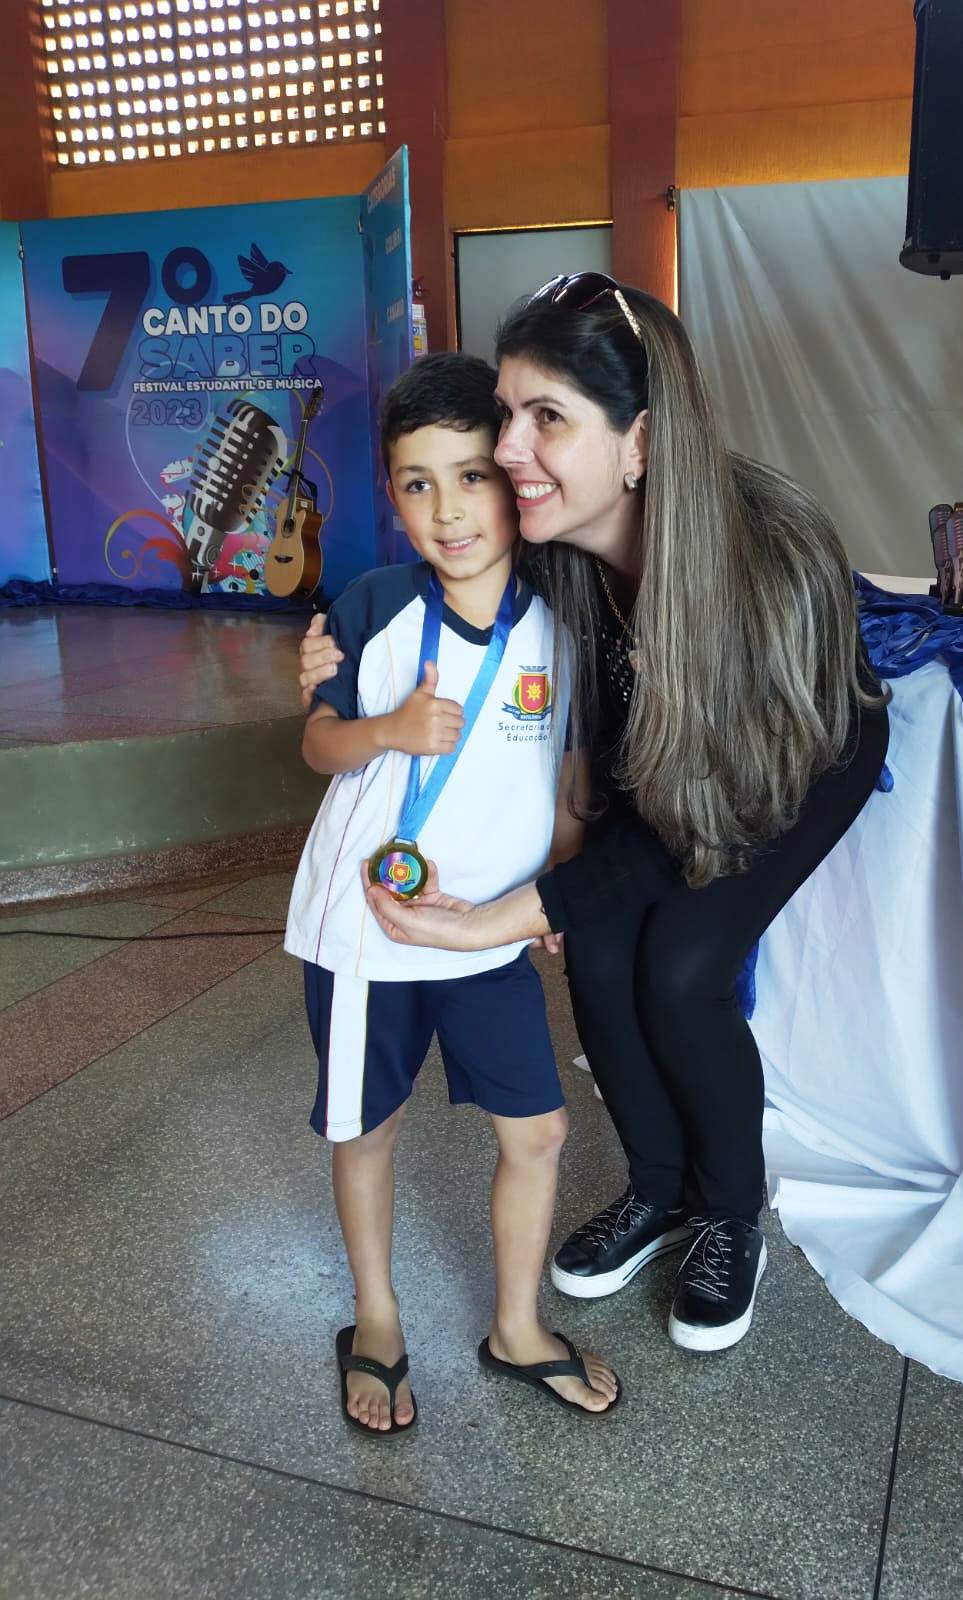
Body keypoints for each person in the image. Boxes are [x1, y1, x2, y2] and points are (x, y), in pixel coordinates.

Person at [300, 275, 889, 1354]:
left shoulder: (764, 560)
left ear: (641, 442)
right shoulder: (556, 544)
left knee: (682, 968)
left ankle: (728, 1214)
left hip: (786, 766)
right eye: (506, 414)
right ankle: (656, 1186)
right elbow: (441, 574)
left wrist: (501, 917)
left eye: (547, 418)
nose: (508, 450)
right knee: (602, 955)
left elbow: (708, 814)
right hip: (665, 777)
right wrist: (336, 649)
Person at [284, 352, 620, 1436]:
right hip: (368, 933)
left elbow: (569, 780)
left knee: (540, 1130)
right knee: (366, 1129)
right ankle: (377, 1317)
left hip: (485, 936)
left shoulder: (564, 615)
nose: (449, 510)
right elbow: (319, 743)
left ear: (512, 479)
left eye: (471, 476)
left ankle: (515, 1327)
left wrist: (554, 892)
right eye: (418, 484)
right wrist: (386, 730)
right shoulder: (375, 604)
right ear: (391, 494)